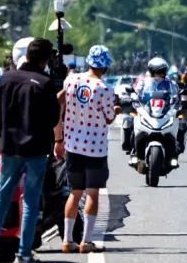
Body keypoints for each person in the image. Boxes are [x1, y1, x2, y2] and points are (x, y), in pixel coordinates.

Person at [0, 38, 62, 263]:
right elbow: (53, 117)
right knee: (30, 202)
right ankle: (24, 254)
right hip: (35, 150)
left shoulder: (6, 79)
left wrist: (0, 140)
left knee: (2, 199)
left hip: (9, 148)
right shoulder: (44, 83)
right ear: (45, 60)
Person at [57, 45, 120, 254]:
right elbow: (109, 117)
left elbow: (60, 100)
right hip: (95, 149)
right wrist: (116, 111)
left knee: (74, 193)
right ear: (106, 66)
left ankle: (67, 240)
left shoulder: (71, 80)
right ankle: (86, 241)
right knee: (92, 193)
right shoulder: (105, 89)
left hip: (72, 146)